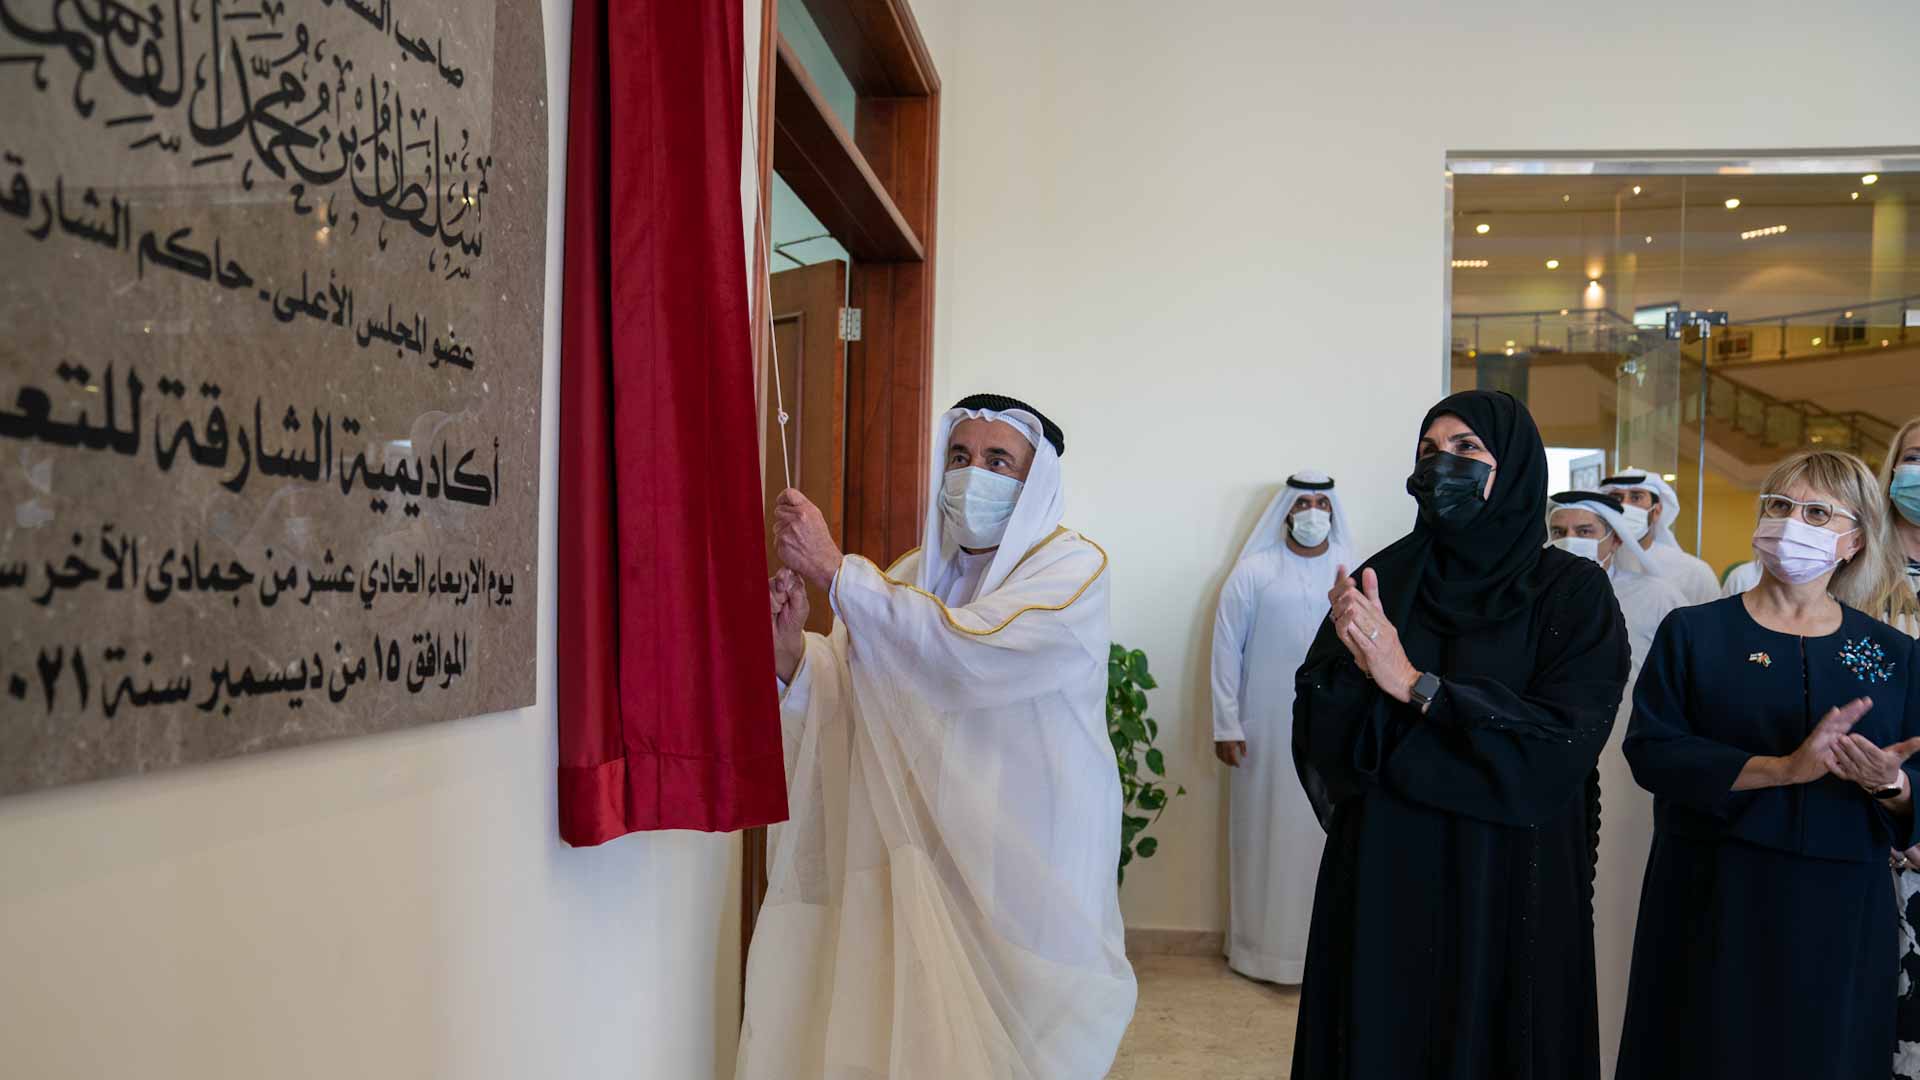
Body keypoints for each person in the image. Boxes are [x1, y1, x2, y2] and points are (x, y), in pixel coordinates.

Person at [737, 393, 1136, 1080]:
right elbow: (857, 682)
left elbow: (968, 654)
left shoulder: (1071, 573)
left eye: (996, 460)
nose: (970, 474)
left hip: (1024, 864)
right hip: (923, 851)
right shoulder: (912, 575)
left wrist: (836, 572)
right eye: (959, 456)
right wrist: (793, 655)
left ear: (1036, 481)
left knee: (1028, 1049)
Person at [1291, 389, 1630, 1080]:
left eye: (1467, 449)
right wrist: (1443, 717)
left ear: (1516, 469)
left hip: (1512, 869)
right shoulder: (1382, 579)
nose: (1442, 465)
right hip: (1390, 864)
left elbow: (1564, 735)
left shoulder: (1571, 591)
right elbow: (1324, 721)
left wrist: (1412, 682)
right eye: (1429, 450)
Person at [1618, 449, 1920, 1080]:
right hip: (1713, 896)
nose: (1792, 523)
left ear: (1853, 541)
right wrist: (1783, 768)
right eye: (1780, 506)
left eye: (1816, 512)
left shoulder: (1892, 654)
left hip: (1842, 912)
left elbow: (1914, 786)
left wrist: (1889, 784)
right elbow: (1653, 750)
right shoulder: (1694, 633)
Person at [1546, 489, 1687, 1080]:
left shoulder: (1657, 596)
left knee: (1622, 900)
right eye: (1561, 529)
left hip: (1630, 776)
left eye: (1586, 528)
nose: (1573, 539)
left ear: (1614, 537)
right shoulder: (1539, 592)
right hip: (1558, 762)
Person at [1211, 469, 1354, 986]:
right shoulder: (1254, 571)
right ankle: (1256, 952)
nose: (1313, 512)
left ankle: (1317, 957)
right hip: (1262, 731)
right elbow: (1226, 648)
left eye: (1322, 502)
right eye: (1303, 503)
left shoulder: (1351, 572)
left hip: (1334, 732)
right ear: (1287, 512)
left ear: (1333, 511)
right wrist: (1226, 723)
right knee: (1261, 837)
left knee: (1323, 839)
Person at [1600, 468, 1721, 605]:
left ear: (1656, 511)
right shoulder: (1597, 563)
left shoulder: (1694, 572)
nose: (1624, 505)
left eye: (1636, 498)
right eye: (1616, 498)